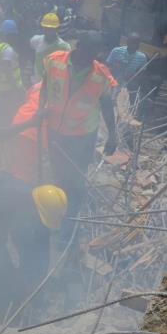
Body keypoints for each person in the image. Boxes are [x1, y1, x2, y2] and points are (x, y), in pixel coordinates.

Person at [41, 37, 118, 218]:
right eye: (87, 51)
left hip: (82, 136)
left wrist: (113, 135)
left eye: (94, 54)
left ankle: (71, 215)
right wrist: (40, 108)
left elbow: (107, 106)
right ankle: (57, 206)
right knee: (58, 171)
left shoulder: (101, 75)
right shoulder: (54, 60)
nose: (89, 57)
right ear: (78, 46)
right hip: (55, 130)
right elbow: (45, 83)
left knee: (76, 177)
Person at [0, 19, 25, 122]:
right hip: (9, 89)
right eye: (13, 36)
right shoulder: (8, 50)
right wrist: (16, 88)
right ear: (7, 35)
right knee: (10, 114)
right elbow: (7, 70)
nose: (14, 38)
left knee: (1, 114)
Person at [30, 12, 71, 80]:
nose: (48, 31)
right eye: (46, 28)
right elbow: (31, 56)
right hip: (37, 81)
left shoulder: (65, 47)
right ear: (43, 28)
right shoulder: (35, 40)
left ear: (57, 29)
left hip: (53, 83)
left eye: (51, 29)